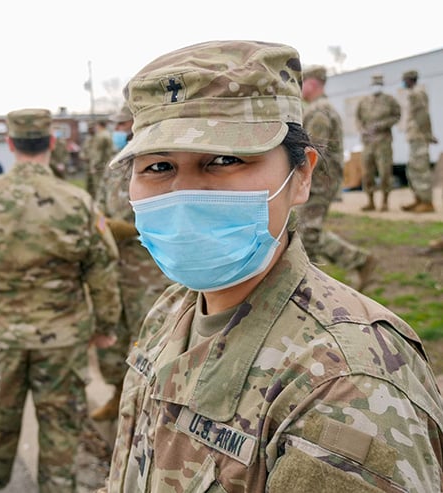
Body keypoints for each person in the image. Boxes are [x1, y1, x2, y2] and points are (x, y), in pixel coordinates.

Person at [101, 40, 443, 493]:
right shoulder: (172, 309)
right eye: (158, 166)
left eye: (225, 160)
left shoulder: (346, 385)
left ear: (302, 176)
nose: (183, 194)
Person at [0, 108, 122, 492]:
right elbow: (103, 271)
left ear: (9, 144)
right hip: (62, 341)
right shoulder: (76, 202)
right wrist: (106, 327)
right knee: (60, 436)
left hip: (1, 338)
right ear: (52, 144)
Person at [90, 103, 171, 422]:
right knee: (112, 339)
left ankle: (146, 409)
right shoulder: (113, 168)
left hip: (146, 272)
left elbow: (168, 214)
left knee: (147, 341)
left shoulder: (159, 165)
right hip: (112, 270)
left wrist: (129, 229)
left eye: (123, 124)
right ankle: (117, 394)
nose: (118, 131)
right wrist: (101, 225)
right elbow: (96, 209)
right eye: (116, 125)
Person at [296, 65, 376, 291]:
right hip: (321, 182)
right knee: (306, 230)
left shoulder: (319, 112)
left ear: (311, 83)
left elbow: (314, 153)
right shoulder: (321, 108)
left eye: (302, 83)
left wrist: (297, 178)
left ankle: (306, 287)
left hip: (319, 182)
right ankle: (357, 260)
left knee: (307, 235)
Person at [355, 74, 402, 212]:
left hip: (383, 141)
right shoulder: (364, 102)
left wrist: (382, 125)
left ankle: (385, 201)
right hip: (368, 142)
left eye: (379, 83)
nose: (377, 86)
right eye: (375, 83)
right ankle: (370, 201)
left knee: (385, 172)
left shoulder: (390, 100)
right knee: (367, 172)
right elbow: (357, 119)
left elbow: (397, 116)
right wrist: (361, 129)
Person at [401, 69, 438, 213]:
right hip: (415, 136)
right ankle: (419, 200)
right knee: (413, 170)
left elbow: (422, 116)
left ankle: (427, 202)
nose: (403, 82)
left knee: (421, 170)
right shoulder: (414, 93)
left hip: (419, 137)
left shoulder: (416, 93)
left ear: (410, 79)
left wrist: (427, 135)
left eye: (405, 79)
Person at [85, 119, 114, 198]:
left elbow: (98, 153)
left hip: (99, 166)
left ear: (98, 125)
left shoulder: (100, 136)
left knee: (98, 187)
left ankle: (99, 206)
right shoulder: (108, 134)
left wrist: (94, 166)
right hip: (106, 163)